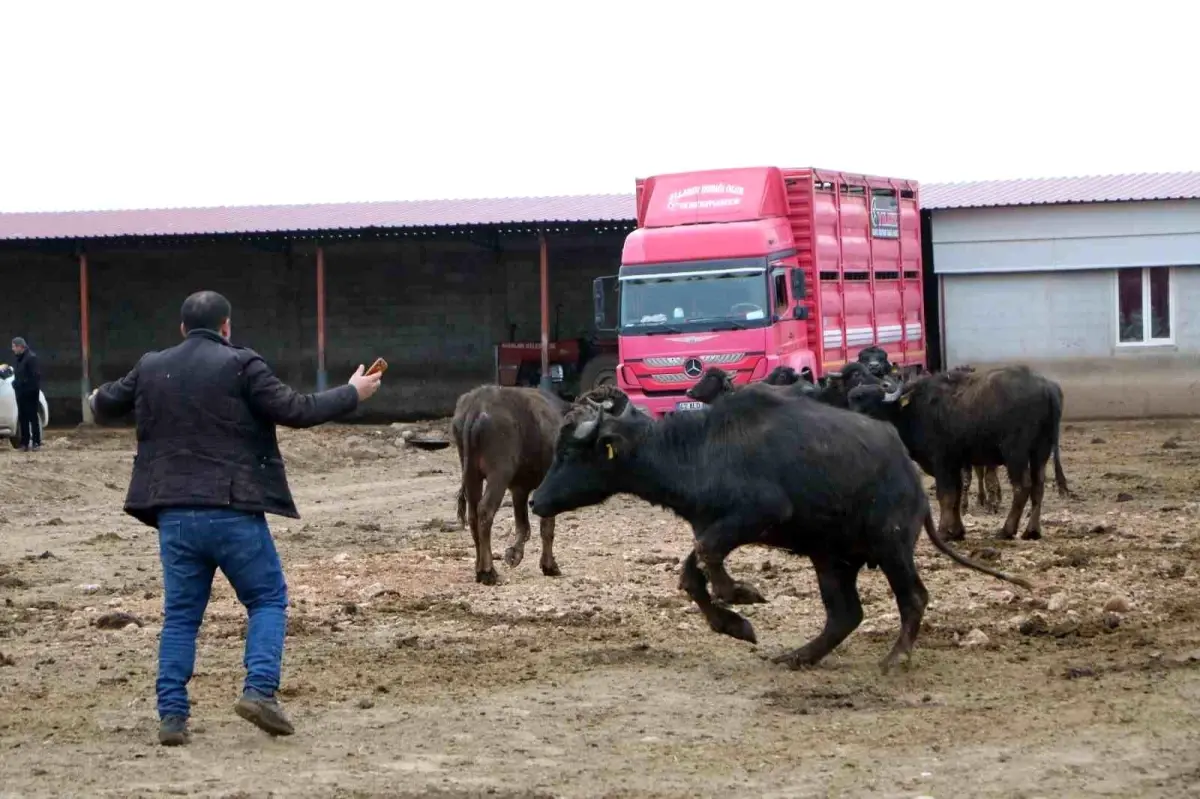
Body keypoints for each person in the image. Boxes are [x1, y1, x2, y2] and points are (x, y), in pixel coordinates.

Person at [88, 290, 383, 747]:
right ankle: (259, 691)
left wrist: (95, 396)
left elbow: (104, 403)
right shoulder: (242, 364)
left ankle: (172, 716)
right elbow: (297, 410)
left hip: (174, 515)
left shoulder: (151, 366)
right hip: (232, 509)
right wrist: (352, 393)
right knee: (267, 598)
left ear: (182, 329)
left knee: (181, 618)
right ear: (226, 326)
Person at [10, 336, 42, 452]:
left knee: (32, 418)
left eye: (14, 346)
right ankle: (24, 443)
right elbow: (19, 375)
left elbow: (35, 377)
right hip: (21, 394)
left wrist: (21, 384)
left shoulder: (31, 358)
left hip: (30, 393)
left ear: (20, 347)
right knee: (22, 418)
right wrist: (16, 383)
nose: (13, 349)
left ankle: (36, 443)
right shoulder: (19, 359)